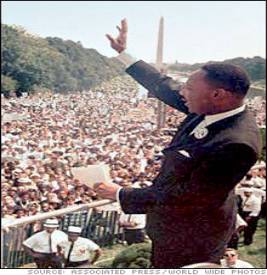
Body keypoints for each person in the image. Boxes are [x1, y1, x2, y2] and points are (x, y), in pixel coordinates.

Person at [93, 19, 261, 267]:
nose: (182, 92)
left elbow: (189, 196)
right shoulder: (212, 107)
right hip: (172, 227)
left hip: (193, 237)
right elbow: (165, 86)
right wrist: (124, 54)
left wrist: (121, 194)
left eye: (189, 88)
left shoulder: (237, 144)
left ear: (218, 95)